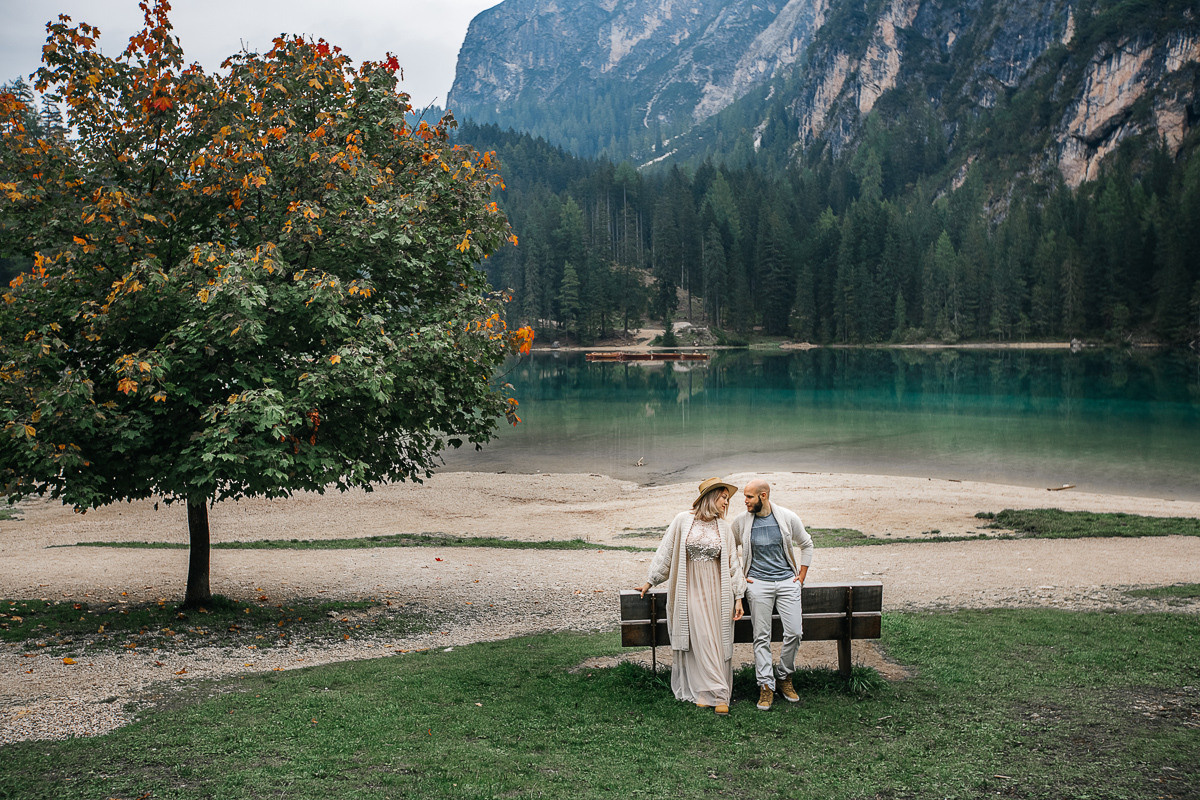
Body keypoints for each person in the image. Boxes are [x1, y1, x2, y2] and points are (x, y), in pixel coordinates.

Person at [636, 477, 746, 715]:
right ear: (710, 497)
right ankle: (710, 691)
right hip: (690, 589)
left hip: (717, 591)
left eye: (727, 498)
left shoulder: (724, 527)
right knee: (699, 638)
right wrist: (650, 581)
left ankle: (715, 694)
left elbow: (733, 564)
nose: (727, 502)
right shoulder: (682, 521)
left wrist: (738, 596)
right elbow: (666, 552)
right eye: (723, 497)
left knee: (715, 639)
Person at [732, 478, 814, 711]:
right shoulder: (741, 522)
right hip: (757, 583)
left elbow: (807, 544)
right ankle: (766, 685)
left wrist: (801, 576)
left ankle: (784, 676)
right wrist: (740, 576)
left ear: (763, 496)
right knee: (761, 636)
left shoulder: (787, 517)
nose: (745, 501)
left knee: (795, 632)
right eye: (745, 496)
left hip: (787, 582)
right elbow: (729, 549)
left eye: (749, 496)